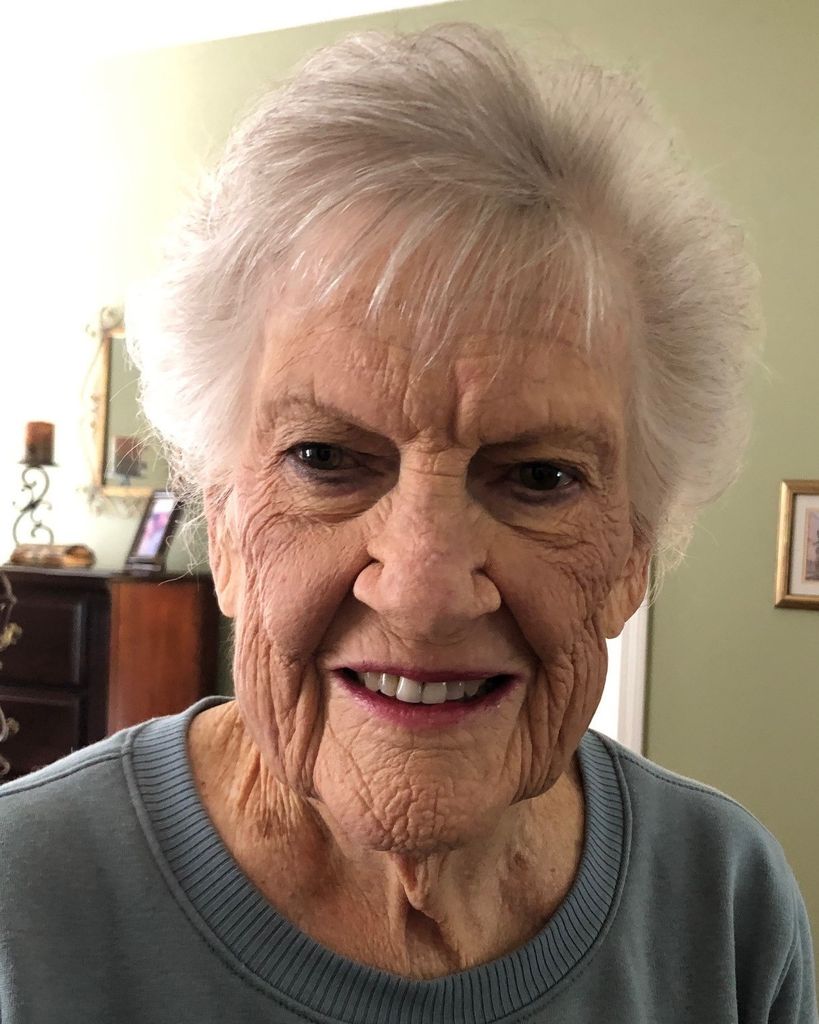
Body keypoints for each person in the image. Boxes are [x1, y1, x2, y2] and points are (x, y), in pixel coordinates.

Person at [0, 23, 815, 1023]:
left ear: (633, 556)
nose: (423, 591)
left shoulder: (725, 905)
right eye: (325, 459)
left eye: (541, 477)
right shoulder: (20, 908)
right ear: (225, 519)